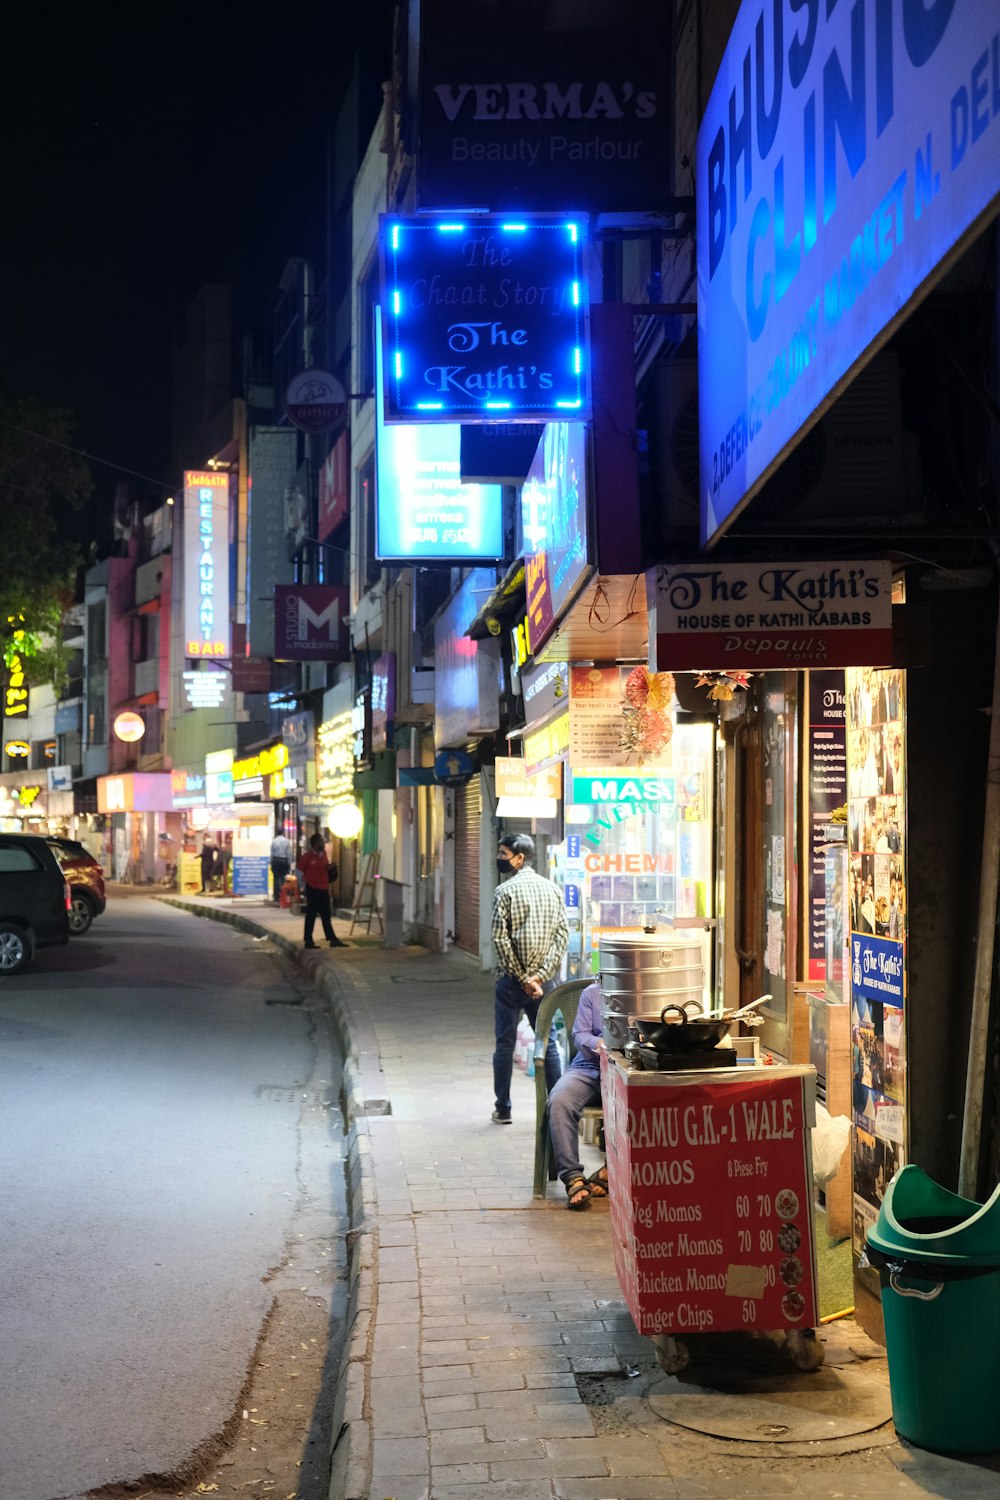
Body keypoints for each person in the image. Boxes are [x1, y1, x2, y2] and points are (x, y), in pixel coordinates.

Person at [490, 833, 568, 1125]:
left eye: (503, 853)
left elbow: (500, 940)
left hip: (510, 985)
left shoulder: (504, 891)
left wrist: (523, 978)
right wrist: (540, 976)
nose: (500, 859)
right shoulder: (553, 890)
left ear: (519, 858)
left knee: (505, 1045)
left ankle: (504, 1108)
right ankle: (557, 1111)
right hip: (545, 986)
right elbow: (562, 936)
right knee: (546, 1045)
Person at [547, 980, 608, 1209]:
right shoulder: (592, 993)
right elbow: (579, 1034)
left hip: (630, 1068)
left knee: (642, 1100)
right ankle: (573, 1177)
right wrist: (598, 1043)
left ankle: (610, 1172)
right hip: (589, 1067)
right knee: (560, 1100)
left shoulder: (650, 992)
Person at [297, 833, 346, 949]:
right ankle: (308, 940)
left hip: (323, 889)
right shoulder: (307, 857)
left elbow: (324, 868)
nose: (323, 844)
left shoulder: (323, 855)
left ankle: (332, 939)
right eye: (321, 842)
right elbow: (299, 873)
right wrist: (303, 886)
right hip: (313, 889)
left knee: (326, 915)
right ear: (315, 844)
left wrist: (331, 867)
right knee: (311, 915)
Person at [270, 829, 293, 904]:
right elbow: (289, 853)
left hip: (276, 860)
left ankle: (276, 896)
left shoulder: (274, 841)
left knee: (276, 878)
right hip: (284, 860)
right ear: (283, 833)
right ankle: (283, 895)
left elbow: (272, 853)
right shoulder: (286, 841)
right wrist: (289, 862)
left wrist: (271, 862)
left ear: (276, 833)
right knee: (284, 878)